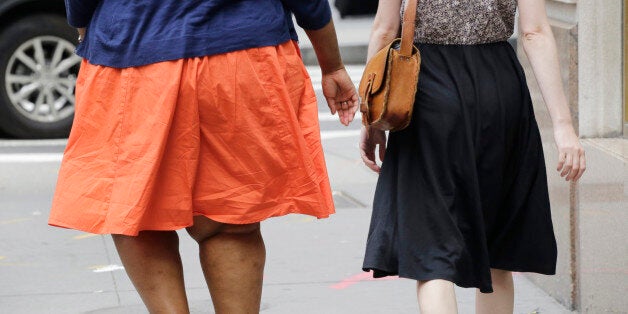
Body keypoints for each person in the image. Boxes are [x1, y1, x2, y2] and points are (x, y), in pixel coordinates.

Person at [48, 0, 358, 312]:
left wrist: (83, 23)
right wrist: (331, 63)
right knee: (230, 221)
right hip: (240, 50)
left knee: (136, 208)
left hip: (133, 48)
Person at [360, 0, 586, 313]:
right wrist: (564, 127)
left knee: (431, 252)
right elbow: (534, 32)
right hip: (500, 92)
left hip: (426, 92)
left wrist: (371, 117)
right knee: (498, 250)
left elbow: (385, 30)